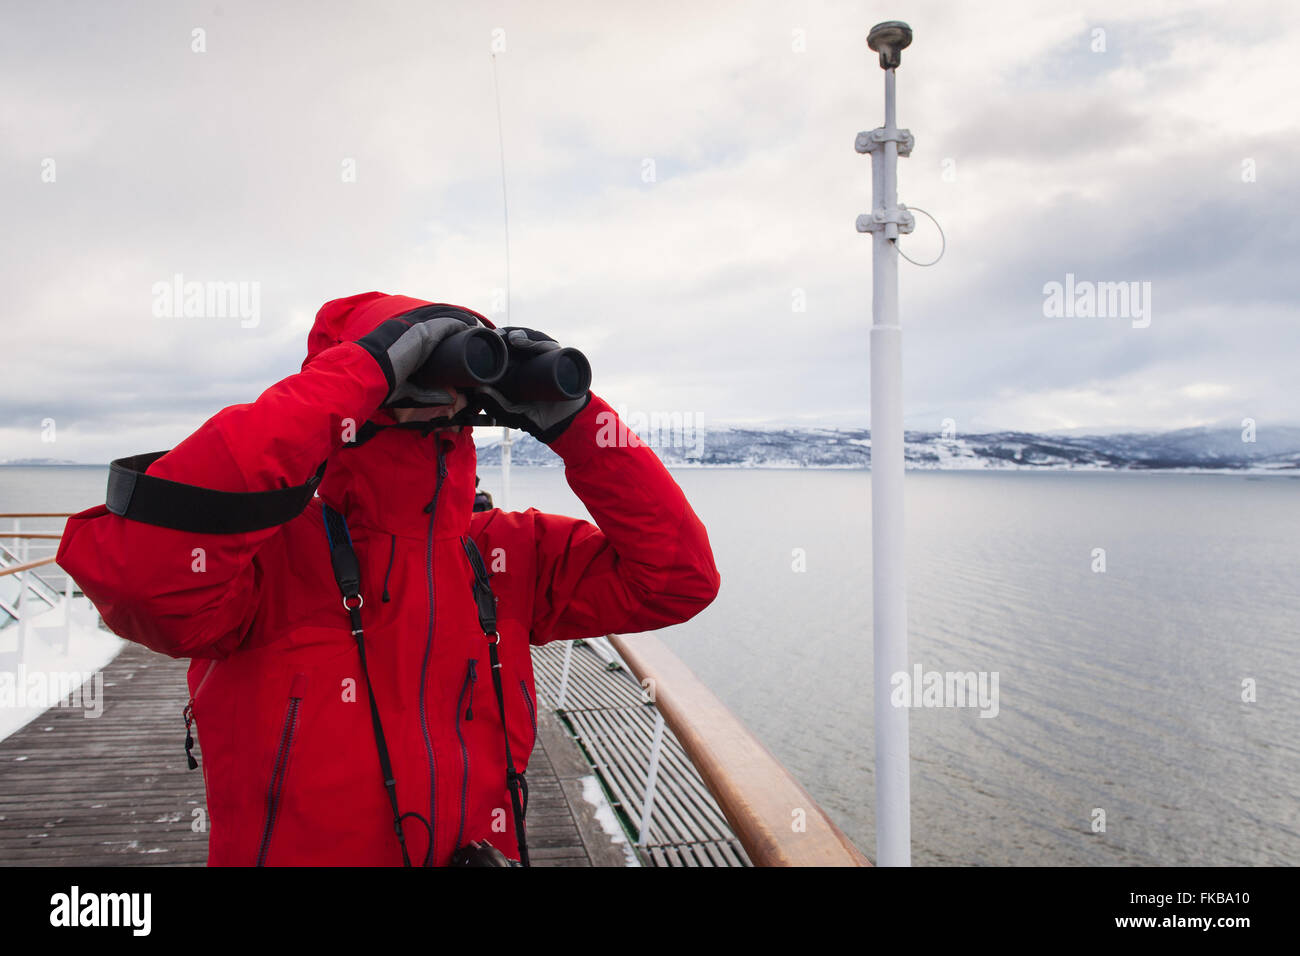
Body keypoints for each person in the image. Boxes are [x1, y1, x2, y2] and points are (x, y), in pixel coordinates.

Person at [56, 291, 720, 866]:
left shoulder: (507, 556)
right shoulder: (264, 560)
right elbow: (143, 580)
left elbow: (677, 578)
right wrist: (359, 372)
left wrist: (579, 421)